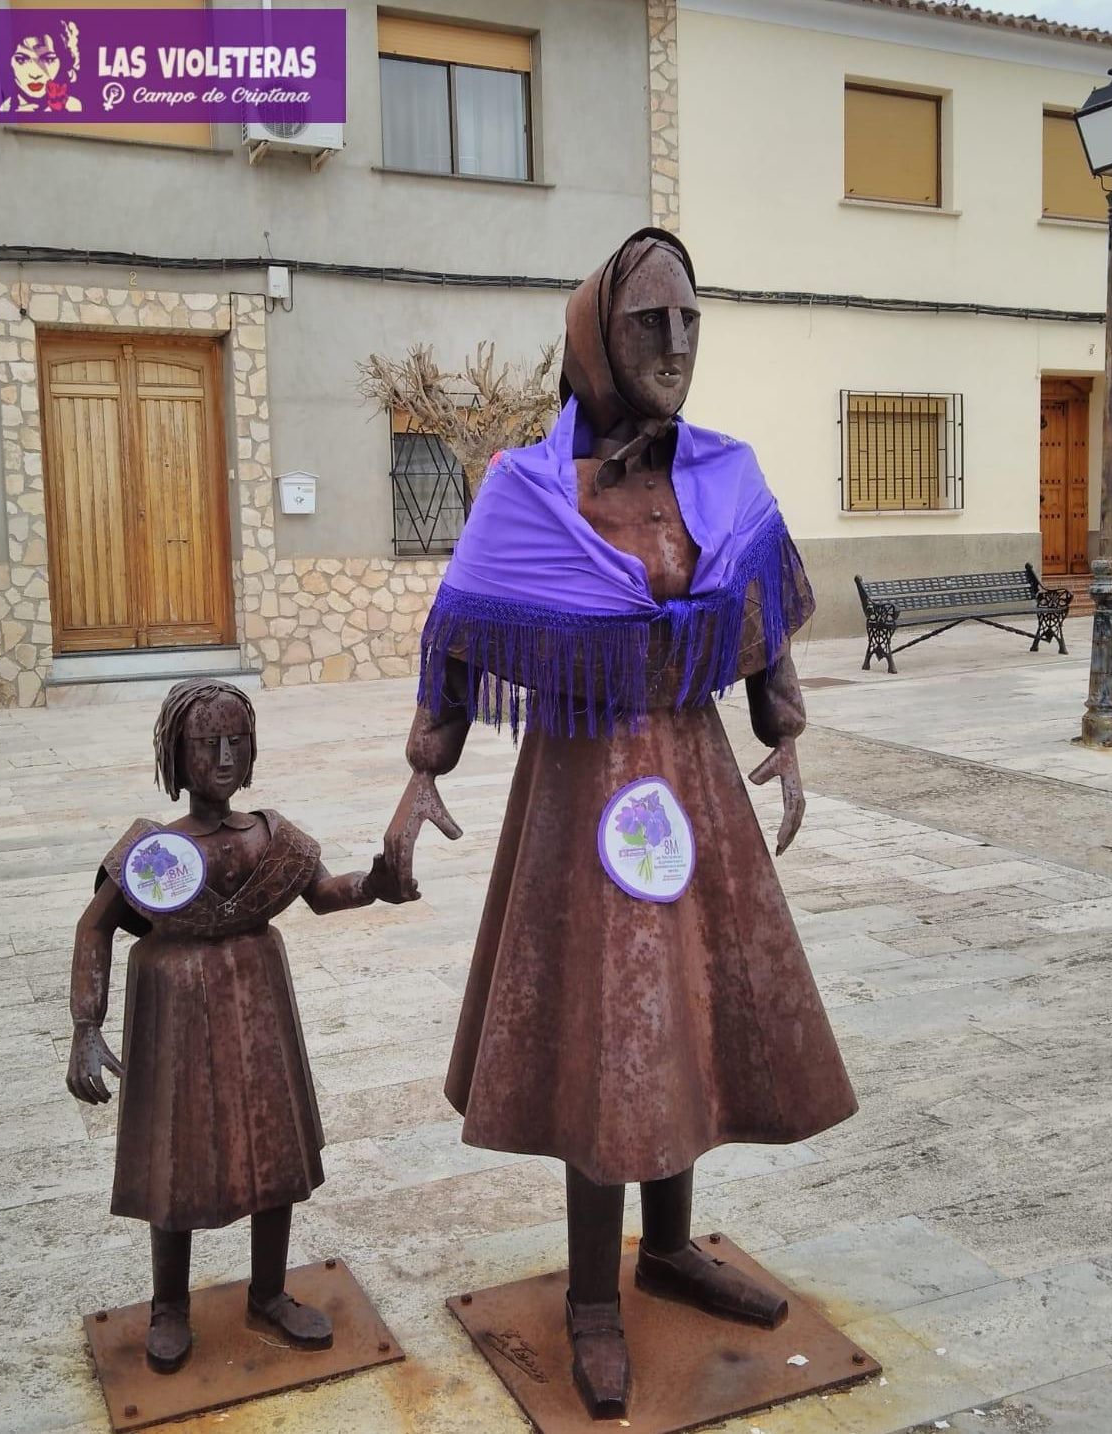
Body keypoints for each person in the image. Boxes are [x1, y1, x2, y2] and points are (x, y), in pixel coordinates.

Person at [381, 229, 858, 1419]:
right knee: (605, 1028)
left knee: (685, 1016)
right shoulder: (529, 490)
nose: (678, 345)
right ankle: (595, 1293)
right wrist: (424, 767)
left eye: (692, 320)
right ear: (597, 337)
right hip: (582, 790)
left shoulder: (723, 474)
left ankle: (673, 1250)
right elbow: (461, 628)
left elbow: (758, 608)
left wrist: (783, 727)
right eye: (651, 323)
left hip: (692, 785)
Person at [66, 678, 403, 1373]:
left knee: (271, 1142)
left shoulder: (270, 835)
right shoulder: (155, 849)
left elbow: (323, 891)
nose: (223, 755)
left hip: (257, 1006)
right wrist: (85, 1025)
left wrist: (372, 883)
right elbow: (95, 925)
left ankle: (270, 1292)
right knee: (176, 1149)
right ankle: (169, 1305)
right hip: (177, 1017)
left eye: (236, 741)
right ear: (174, 754)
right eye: (205, 742)